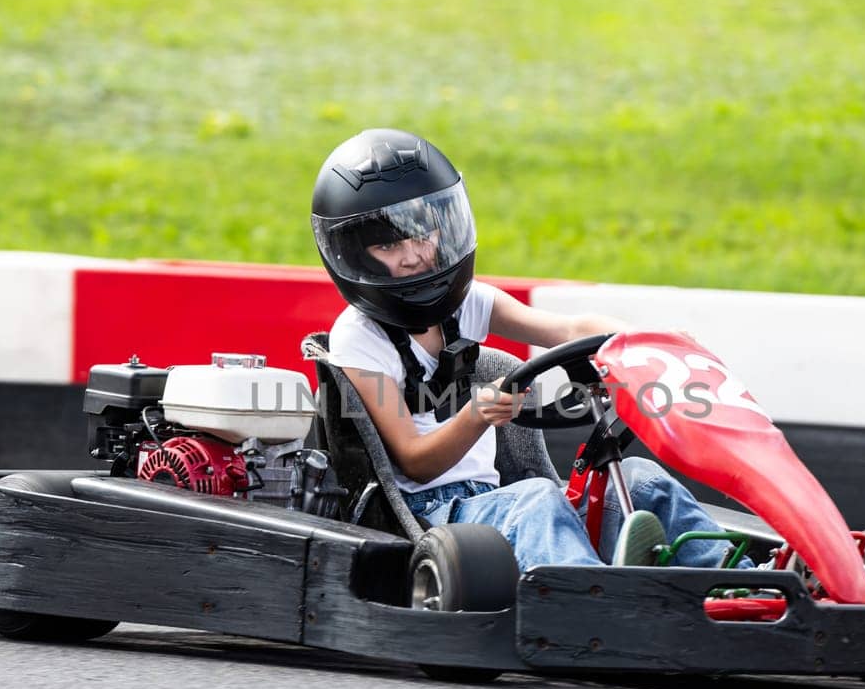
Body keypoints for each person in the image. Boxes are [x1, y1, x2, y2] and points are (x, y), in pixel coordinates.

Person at [311, 128, 742, 571]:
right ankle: (593, 605)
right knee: (536, 500)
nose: (413, 256)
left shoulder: (465, 303)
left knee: (642, 480)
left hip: (502, 502)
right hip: (435, 517)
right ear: (356, 257)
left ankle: (745, 593)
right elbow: (416, 464)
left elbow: (570, 328)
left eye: (423, 234)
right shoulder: (360, 338)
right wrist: (477, 414)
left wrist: (648, 343)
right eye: (388, 244)